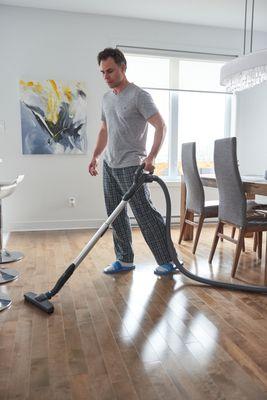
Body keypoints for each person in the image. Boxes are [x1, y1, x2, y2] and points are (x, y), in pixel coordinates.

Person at [88, 47, 181, 276]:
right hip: (110, 165)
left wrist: (151, 158)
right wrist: (96, 156)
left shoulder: (139, 95)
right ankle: (124, 259)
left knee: (145, 214)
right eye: (102, 72)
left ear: (123, 67)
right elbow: (104, 130)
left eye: (110, 71)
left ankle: (168, 261)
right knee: (115, 215)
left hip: (132, 166)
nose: (106, 76)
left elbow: (161, 126)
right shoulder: (106, 98)